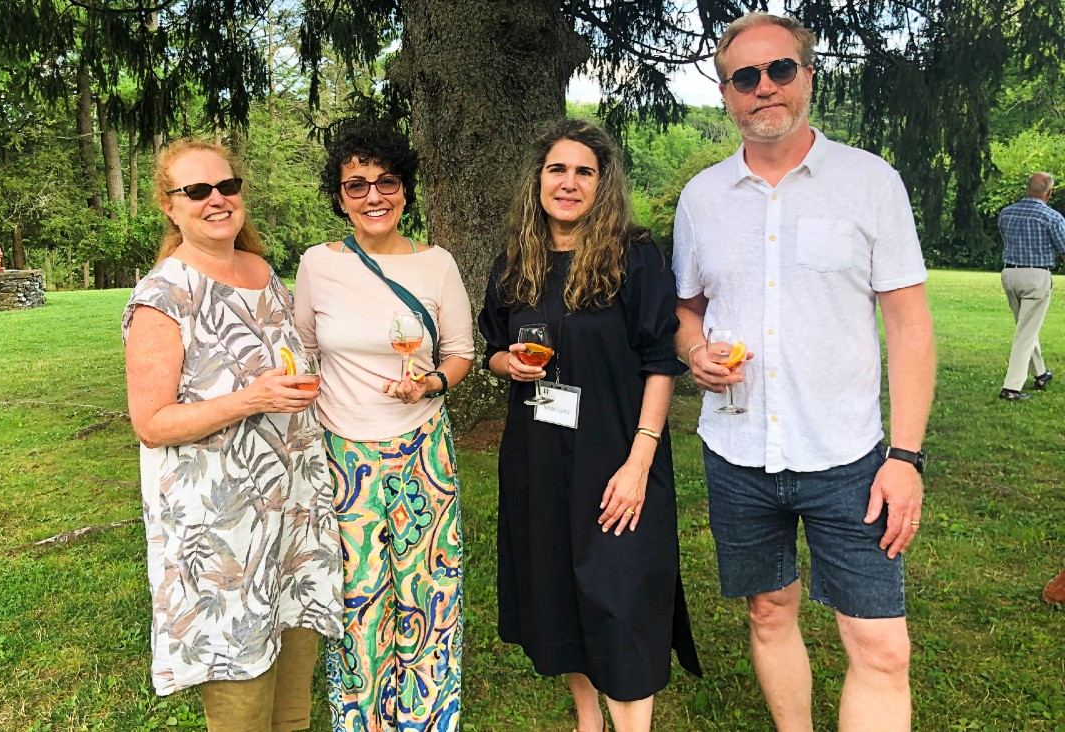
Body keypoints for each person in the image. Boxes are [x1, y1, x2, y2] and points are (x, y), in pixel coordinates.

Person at [672, 13, 935, 732]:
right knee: (767, 613)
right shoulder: (701, 199)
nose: (765, 89)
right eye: (745, 77)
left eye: (780, 70)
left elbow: (910, 327)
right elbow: (684, 309)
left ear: (807, 76)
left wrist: (905, 457)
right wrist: (694, 350)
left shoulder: (870, 181)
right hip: (737, 451)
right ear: (726, 92)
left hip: (849, 457)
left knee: (880, 646)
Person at [478, 118, 702, 732]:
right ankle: (588, 723)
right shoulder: (516, 261)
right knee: (558, 599)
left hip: (616, 459)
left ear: (602, 184)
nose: (569, 183)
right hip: (539, 462)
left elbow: (661, 360)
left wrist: (640, 462)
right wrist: (508, 363)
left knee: (622, 604)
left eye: (585, 171)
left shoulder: (635, 256)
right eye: (558, 169)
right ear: (538, 180)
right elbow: (492, 343)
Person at [123, 138, 343, 731]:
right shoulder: (163, 297)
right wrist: (253, 399)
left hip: (292, 511)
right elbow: (151, 422)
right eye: (196, 191)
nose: (216, 199)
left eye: (227, 186)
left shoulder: (265, 274)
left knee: (293, 699)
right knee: (241, 699)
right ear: (170, 206)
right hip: (222, 532)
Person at [293, 120, 475, 731]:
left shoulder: (437, 263)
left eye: (386, 181)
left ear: (405, 187)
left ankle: (427, 721)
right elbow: (304, 350)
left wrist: (432, 382)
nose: (373, 196)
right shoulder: (318, 264)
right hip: (344, 456)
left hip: (424, 451)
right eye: (356, 185)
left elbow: (461, 352)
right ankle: (361, 721)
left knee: (428, 590)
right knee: (357, 599)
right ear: (339, 195)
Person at [996, 172, 1065, 401]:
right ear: (1049, 192)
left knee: (1025, 327)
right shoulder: (1052, 217)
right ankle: (1011, 388)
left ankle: (1041, 373)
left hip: (1009, 273)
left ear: (1027, 189)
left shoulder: (1006, 214)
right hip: (1036, 276)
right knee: (1025, 333)